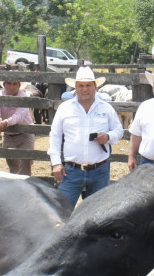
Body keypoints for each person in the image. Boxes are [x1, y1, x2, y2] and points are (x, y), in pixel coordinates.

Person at [48, 66, 123, 206]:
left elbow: (119, 131)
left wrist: (108, 136)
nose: (84, 89)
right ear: (75, 87)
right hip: (71, 171)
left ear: (95, 86)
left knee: (97, 214)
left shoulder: (106, 108)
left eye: (88, 85)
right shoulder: (65, 108)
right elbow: (55, 136)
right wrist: (56, 163)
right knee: (62, 210)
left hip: (99, 170)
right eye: (81, 86)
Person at [0, 78, 35, 176]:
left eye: (14, 84)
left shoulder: (24, 97)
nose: (11, 86)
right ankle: (16, 187)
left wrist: (4, 123)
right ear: (4, 84)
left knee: (26, 163)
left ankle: (24, 188)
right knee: (13, 164)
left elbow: (18, 116)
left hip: (25, 134)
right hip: (8, 135)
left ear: (19, 85)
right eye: (9, 83)